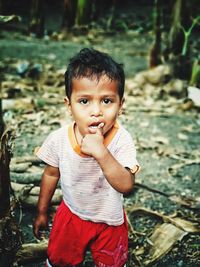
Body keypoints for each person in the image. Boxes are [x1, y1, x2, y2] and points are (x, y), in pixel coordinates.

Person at [33, 48, 140, 267]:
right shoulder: (60, 139)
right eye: (84, 101)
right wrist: (42, 211)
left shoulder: (122, 140)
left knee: (111, 263)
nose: (96, 111)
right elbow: (51, 174)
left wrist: (101, 152)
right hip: (72, 214)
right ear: (69, 105)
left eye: (107, 101)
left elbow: (127, 185)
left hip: (109, 219)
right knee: (60, 260)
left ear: (121, 105)